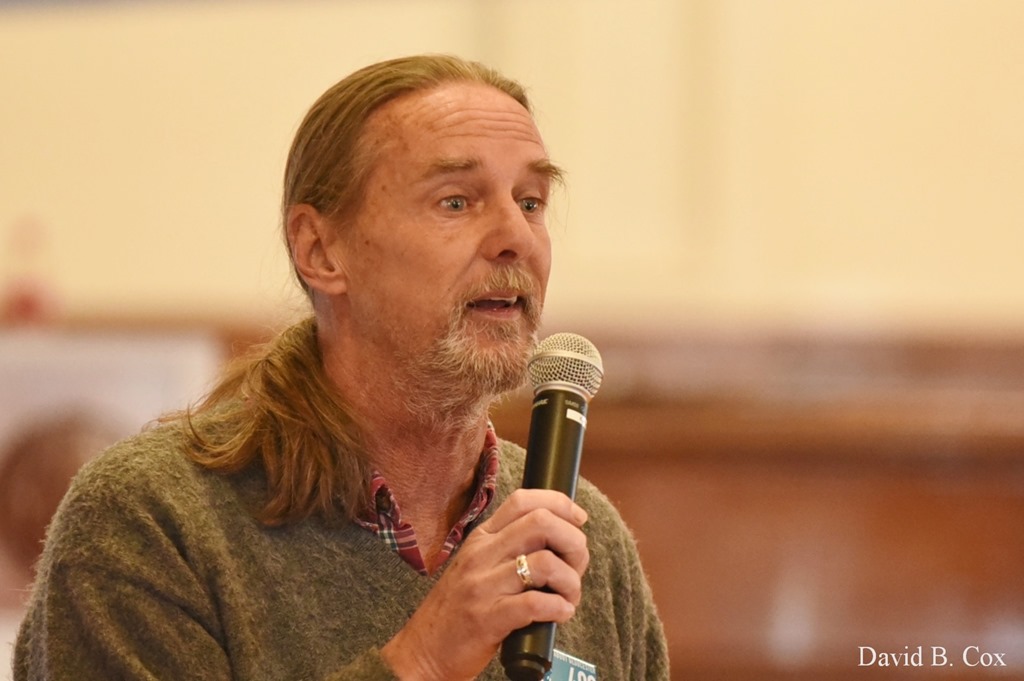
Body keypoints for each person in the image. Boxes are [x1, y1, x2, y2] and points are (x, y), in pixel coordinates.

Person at [13, 54, 668, 680]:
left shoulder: (584, 536)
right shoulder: (152, 521)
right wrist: (422, 662)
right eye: (456, 201)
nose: (517, 238)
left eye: (530, 201)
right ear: (320, 250)